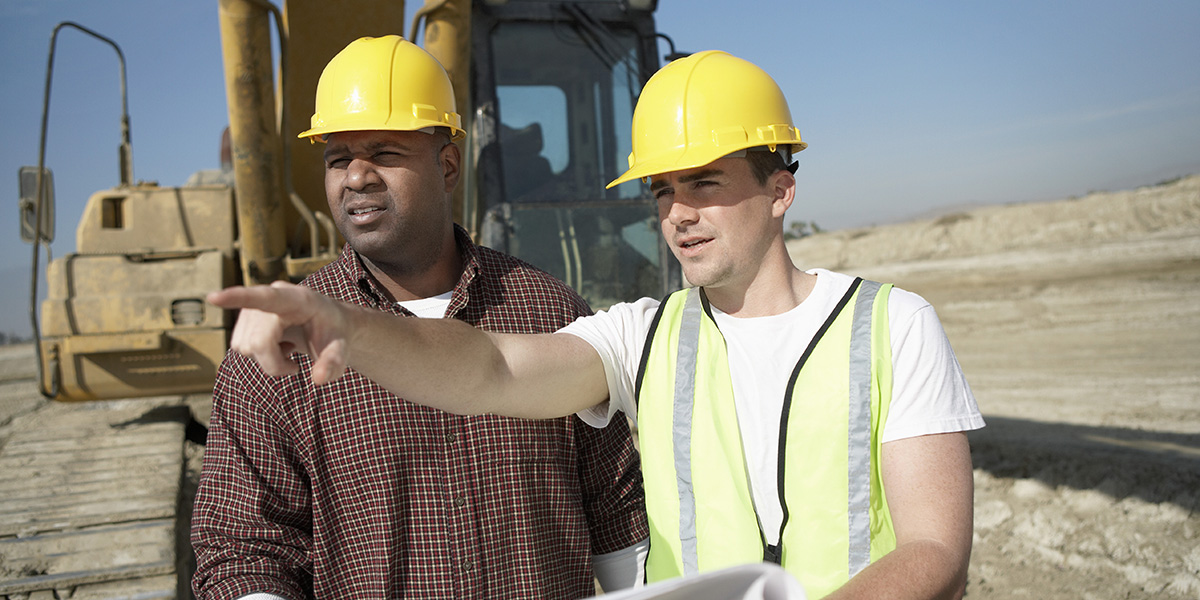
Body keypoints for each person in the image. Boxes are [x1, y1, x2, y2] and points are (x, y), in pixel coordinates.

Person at [210, 50, 985, 600]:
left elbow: (934, 549)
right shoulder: (640, 337)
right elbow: (486, 371)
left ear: (780, 190)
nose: (679, 213)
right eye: (663, 189)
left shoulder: (891, 327)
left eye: (706, 182)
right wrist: (338, 321)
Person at [190, 36, 649, 599]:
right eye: (338, 159)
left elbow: (615, 507)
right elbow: (243, 550)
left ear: (448, 164)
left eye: (384, 153)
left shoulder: (548, 313)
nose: (356, 177)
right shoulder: (277, 352)